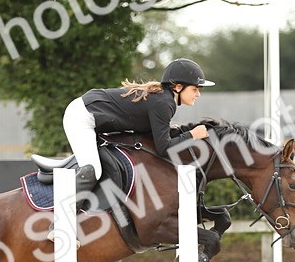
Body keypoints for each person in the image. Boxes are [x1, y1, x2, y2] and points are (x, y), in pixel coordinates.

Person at [62, 58, 214, 191]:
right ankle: (61, 220)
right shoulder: (164, 103)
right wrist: (192, 135)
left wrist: (187, 131)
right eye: (195, 89)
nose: (198, 94)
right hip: (82, 117)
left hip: (90, 113)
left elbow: (160, 137)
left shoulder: (165, 99)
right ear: (178, 87)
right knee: (92, 171)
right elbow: (164, 148)